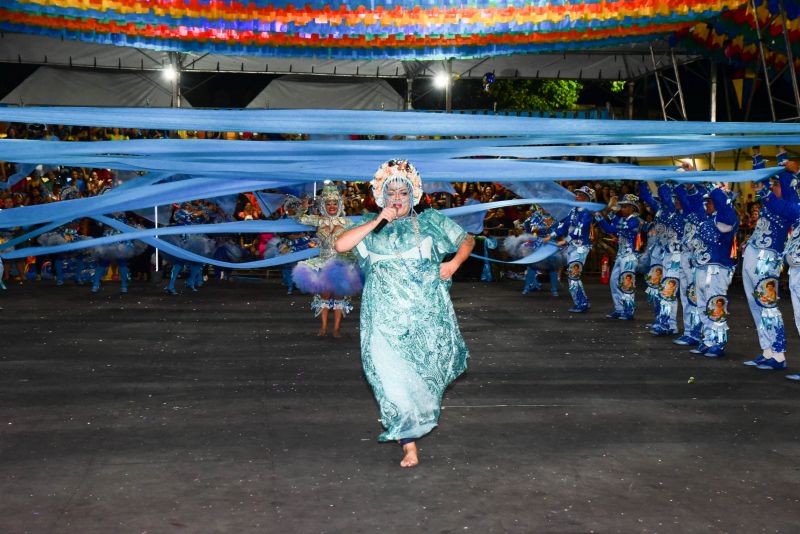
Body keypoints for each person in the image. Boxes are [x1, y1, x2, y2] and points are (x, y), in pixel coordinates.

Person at [334, 159, 475, 468]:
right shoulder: (370, 225)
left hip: (423, 314)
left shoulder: (431, 221)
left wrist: (453, 264)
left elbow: (467, 239)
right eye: (391, 192)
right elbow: (340, 243)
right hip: (383, 317)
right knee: (389, 379)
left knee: (420, 377)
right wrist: (377, 221)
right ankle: (408, 444)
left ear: (414, 196)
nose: (397, 198)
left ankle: (414, 424)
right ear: (381, 196)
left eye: (403, 193)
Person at [291, 184, 363, 338]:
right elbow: (299, 218)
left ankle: (336, 329)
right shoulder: (318, 221)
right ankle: (323, 327)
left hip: (341, 263)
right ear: (323, 205)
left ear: (340, 205)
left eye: (334, 203)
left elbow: (359, 237)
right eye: (328, 203)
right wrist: (303, 207)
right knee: (324, 295)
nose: (332, 206)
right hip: (323, 262)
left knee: (339, 296)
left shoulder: (348, 223)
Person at [740, 152, 791, 370]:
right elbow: (759, 181)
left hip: (768, 257)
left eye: (776, 183)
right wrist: (757, 158)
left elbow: (778, 183)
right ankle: (767, 351)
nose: (772, 186)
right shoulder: (769, 201)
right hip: (753, 252)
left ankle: (778, 355)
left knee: (768, 305)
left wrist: (782, 159)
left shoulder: (788, 205)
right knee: (756, 305)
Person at [685, 186, 739, 358]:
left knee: (715, 304)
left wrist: (714, 189)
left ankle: (719, 342)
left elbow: (724, 209)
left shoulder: (726, 219)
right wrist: (691, 187)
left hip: (716, 270)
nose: (706, 204)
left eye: (710, 201)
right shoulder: (708, 220)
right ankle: (708, 339)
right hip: (701, 269)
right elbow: (694, 204)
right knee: (702, 305)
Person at [545, 186, 595, 312]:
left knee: (573, 275)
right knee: (573, 276)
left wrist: (565, 240)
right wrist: (550, 236)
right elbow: (564, 226)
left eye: (580, 195)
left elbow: (580, 228)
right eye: (577, 194)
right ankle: (583, 302)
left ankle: (581, 304)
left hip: (581, 248)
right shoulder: (573, 210)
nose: (576, 196)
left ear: (586, 198)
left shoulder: (587, 212)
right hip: (572, 247)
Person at [595, 194, 643, 320]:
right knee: (614, 281)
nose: (622, 209)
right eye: (622, 206)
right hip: (621, 255)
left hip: (630, 256)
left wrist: (604, 212)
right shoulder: (624, 220)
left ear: (633, 208)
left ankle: (628, 310)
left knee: (627, 283)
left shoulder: (635, 220)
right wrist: (603, 212)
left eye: (625, 207)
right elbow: (610, 224)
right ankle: (619, 308)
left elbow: (611, 227)